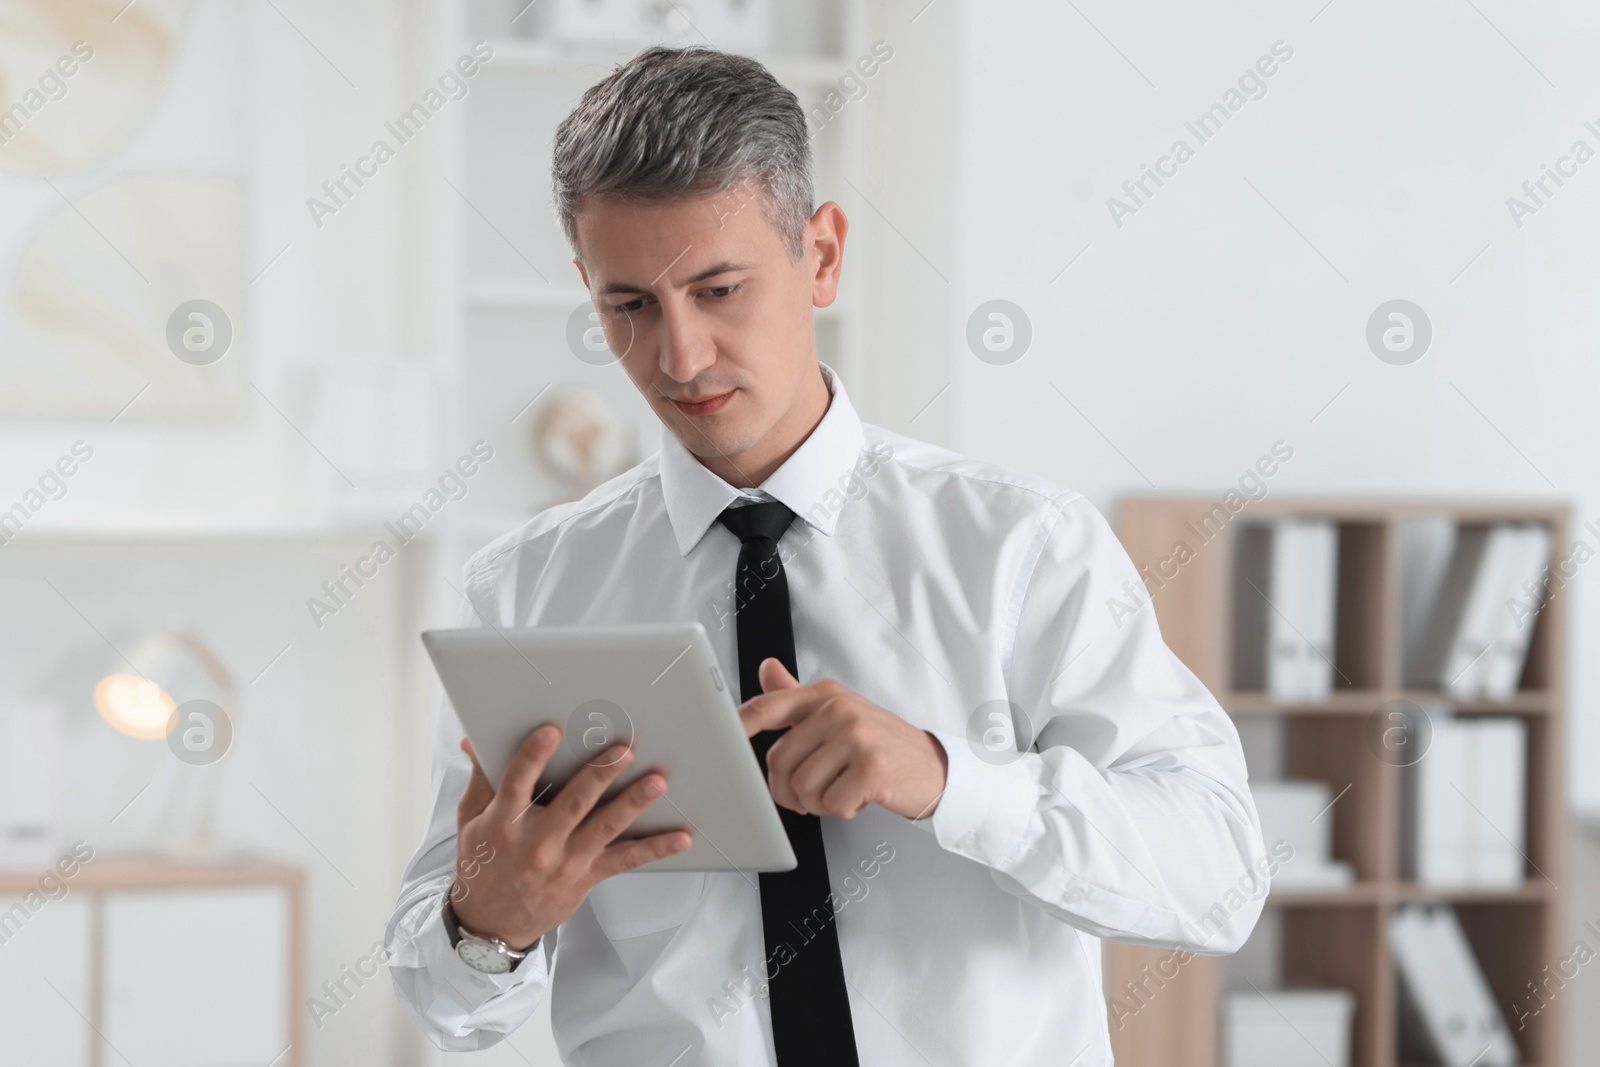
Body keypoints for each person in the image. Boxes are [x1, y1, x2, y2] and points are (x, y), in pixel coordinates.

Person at [387, 44, 1267, 1067]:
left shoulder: (1024, 546)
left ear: (821, 255)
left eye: (718, 289)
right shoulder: (529, 588)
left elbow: (1220, 876)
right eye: (628, 306)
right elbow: (448, 1007)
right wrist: (487, 919)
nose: (678, 357)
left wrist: (949, 780)